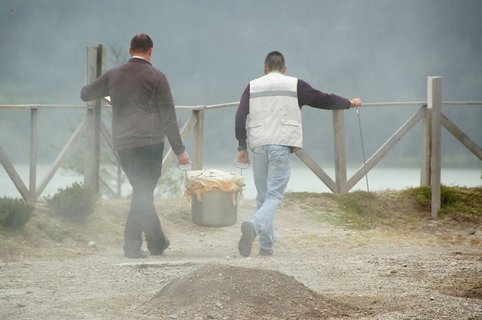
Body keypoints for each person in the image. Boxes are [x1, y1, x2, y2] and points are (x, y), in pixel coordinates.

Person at [235, 51, 361, 257]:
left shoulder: (253, 86)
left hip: (257, 145)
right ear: (284, 69)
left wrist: (242, 146)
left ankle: (266, 246)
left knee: (263, 196)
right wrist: (348, 103)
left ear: (265, 68)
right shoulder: (295, 85)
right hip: (281, 144)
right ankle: (254, 225)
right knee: (274, 195)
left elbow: (240, 115)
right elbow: (323, 99)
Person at [80, 33, 190, 259]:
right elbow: (168, 116)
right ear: (150, 51)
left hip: (123, 145)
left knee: (142, 192)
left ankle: (157, 242)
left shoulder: (114, 75)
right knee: (143, 193)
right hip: (149, 143)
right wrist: (180, 151)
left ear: (131, 50)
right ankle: (132, 246)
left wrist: (110, 96)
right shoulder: (157, 77)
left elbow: (86, 94)